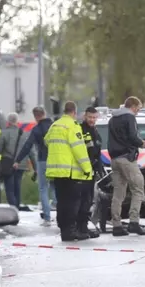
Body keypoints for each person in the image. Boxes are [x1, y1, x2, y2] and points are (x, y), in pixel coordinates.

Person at [45, 100, 94, 241]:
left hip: (55, 171)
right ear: (74, 112)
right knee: (72, 202)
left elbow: (46, 141)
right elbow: (79, 149)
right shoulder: (73, 126)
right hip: (69, 171)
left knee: (61, 202)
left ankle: (64, 230)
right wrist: (87, 169)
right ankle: (70, 231)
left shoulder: (55, 125)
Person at [107, 96, 145, 237]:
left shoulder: (112, 119)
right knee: (138, 188)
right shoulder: (129, 117)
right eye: (138, 108)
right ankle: (134, 222)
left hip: (114, 159)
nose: (138, 111)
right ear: (134, 106)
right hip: (127, 158)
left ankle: (116, 225)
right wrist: (141, 143)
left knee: (118, 193)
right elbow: (132, 136)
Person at [16, 106, 58, 226]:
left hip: (43, 161)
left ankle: (47, 218)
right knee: (56, 187)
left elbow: (28, 145)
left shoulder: (37, 129)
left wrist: (18, 160)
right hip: (56, 160)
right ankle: (60, 213)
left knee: (43, 188)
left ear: (36, 116)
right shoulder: (54, 126)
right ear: (45, 113)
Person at [0, 113, 35, 210]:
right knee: (17, 187)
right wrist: (35, 167)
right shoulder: (24, 134)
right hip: (21, 164)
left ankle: (14, 209)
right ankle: (17, 206)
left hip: (8, 164)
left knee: (9, 188)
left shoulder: (4, 133)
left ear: (8, 122)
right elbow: (31, 151)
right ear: (17, 122)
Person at [77, 106, 104, 238]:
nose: (92, 120)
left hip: (92, 170)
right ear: (85, 117)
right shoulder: (81, 130)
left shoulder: (95, 131)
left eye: (94, 117)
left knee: (88, 200)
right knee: (82, 200)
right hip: (82, 171)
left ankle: (84, 227)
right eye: (90, 117)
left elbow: (97, 153)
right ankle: (80, 228)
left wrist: (100, 169)